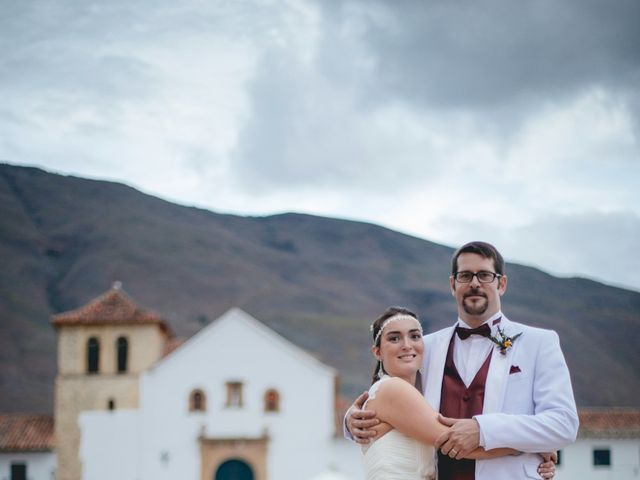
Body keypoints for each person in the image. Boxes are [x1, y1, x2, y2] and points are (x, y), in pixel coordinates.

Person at [348, 241, 578, 480]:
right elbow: (394, 398)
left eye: (485, 275)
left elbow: (563, 423)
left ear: (502, 284)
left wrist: (483, 430)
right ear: (453, 284)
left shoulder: (538, 342)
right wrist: (352, 420)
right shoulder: (425, 346)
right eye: (465, 276)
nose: (475, 283)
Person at [360, 306, 556, 479]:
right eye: (394, 338)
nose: (407, 344)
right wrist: (533, 444)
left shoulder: (410, 392)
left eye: (414, 336)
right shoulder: (393, 389)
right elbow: (456, 442)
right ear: (377, 352)